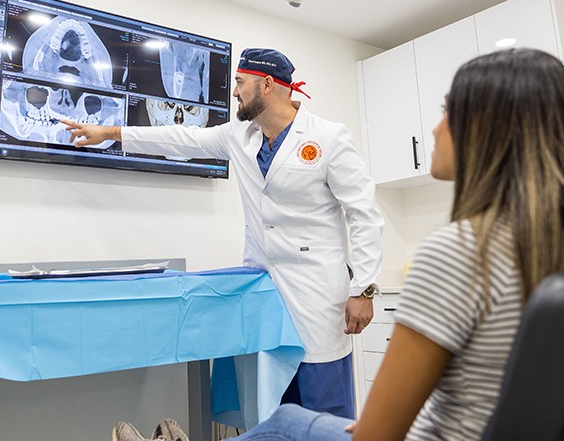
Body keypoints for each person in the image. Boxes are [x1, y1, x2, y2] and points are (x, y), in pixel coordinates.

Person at [229, 47, 564, 441]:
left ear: (488, 131)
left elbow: (378, 433)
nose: (435, 129)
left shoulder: (459, 252)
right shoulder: (543, 244)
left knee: (284, 422)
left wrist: (363, 289)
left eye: (448, 112)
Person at [63, 47, 384, 419]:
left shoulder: (328, 137)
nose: (234, 92)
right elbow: (180, 139)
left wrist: (363, 289)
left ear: (267, 85)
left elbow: (364, 214)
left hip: (317, 295)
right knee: (270, 406)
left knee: (323, 405)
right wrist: (111, 132)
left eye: (240, 83)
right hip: (265, 292)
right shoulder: (240, 135)